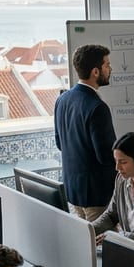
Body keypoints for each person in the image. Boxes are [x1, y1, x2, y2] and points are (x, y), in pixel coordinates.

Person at [54, 44, 117, 220]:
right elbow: (106, 155)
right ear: (95, 72)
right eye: (107, 65)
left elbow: (60, 143)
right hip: (97, 194)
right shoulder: (97, 107)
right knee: (101, 245)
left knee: (84, 243)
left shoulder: (63, 99)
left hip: (73, 190)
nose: (110, 69)